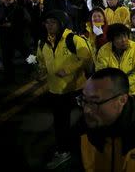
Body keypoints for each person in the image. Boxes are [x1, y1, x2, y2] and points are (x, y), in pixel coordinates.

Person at [37, 10, 92, 169]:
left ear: (62, 23)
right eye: (47, 23)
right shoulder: (43, 42)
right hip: (56, 90)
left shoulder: (73, 39)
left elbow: (86, 57)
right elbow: (41, 60)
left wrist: (68, 70)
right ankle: (64, 150)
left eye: (53, 22)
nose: (49, 26)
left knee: (87, 119)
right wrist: (40, 70)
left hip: (76, 88)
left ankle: (90, 148)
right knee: (61, 123)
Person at [0, 0, 31, 83]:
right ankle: (9, 77)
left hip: (20, 36)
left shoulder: (20, 9)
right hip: (5, 37)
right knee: (6, 58)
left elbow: (27, 21)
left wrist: (13, 24)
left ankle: (33, 68)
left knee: (28, 54)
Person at [95, 23, 135, 96]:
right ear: (112, 40)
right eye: (119, 37)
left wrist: (122, 85)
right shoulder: (103, 50)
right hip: (111, 92)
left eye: (125, 35)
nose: (124, 40)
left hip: (131, 91)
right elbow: (101, 72)